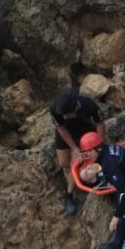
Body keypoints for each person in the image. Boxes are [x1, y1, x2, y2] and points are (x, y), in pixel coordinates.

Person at [50, 87, 106, 215]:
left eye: (66, 114)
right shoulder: (55, 108)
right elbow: (61, 129)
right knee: (64, 163)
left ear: (75, 108)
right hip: (66, 132)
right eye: (62, 115)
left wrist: (100, 145)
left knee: (75, 161)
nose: (64, 117)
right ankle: (73, 176)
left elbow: (100, 124)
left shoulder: (88, 105)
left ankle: (69, 194)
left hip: (84, 130)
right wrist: (74, 148)